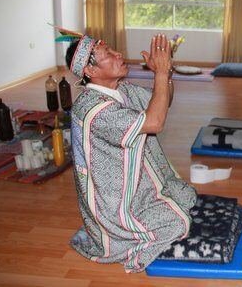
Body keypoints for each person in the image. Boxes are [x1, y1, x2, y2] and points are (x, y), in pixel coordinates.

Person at [65, 33, 197, 273]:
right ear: (90, 71)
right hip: (114, 206)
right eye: (108, 54)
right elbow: (155, 122)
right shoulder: (94, 110)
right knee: (178, 222)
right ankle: (125, 247)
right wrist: (159, 72)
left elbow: (162, 102)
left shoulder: (122, 89)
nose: (119, 55)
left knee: (187, 197)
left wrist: (165, 72)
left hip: (136, 184)